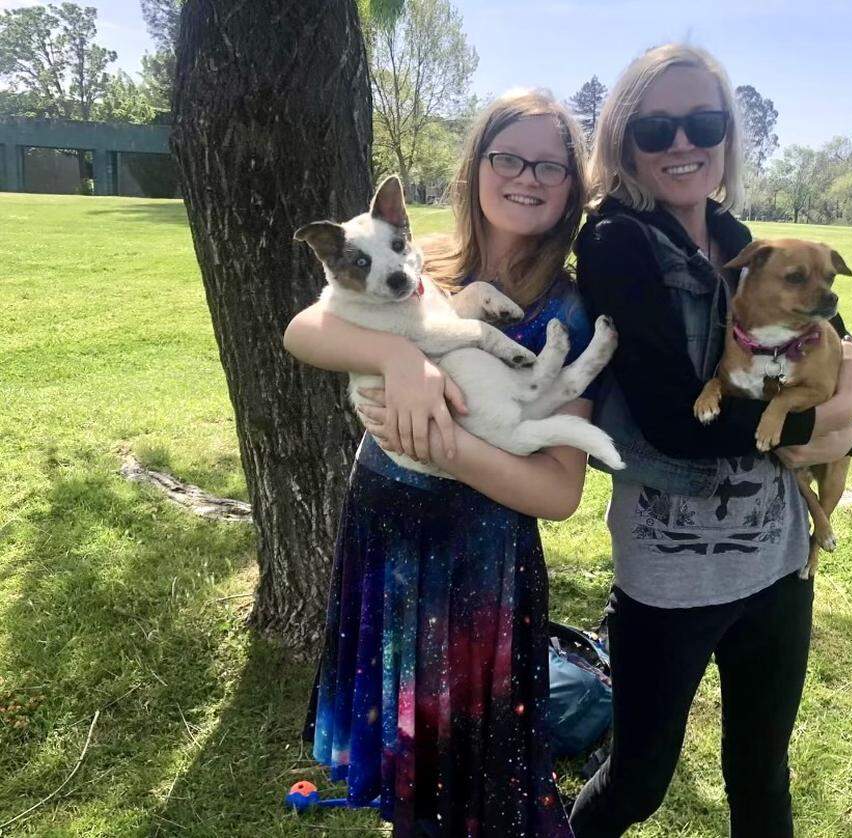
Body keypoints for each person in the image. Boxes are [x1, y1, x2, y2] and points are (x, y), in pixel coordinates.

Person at [568, 44, 852, 837]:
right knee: (636, 785)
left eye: (703, 124)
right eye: (656, 128)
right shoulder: (615, 242)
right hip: (671, 573)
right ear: (623, 139)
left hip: (777, 562)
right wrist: (819, 424)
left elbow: (851, 358)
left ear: (727, 137)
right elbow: (674, 420)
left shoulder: (742, 237)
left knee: (762, 777)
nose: (682, 143)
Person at [283, 88, 596, 837]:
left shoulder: (568, 309)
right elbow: (302, 331)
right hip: (386, 534)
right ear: (475, 166)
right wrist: (400, 358)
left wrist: (447, 445)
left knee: (474, 773)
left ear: (572, 186)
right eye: (508, 157)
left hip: (477, 562)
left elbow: (559, 492)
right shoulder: (417, 263)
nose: (527, 177)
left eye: (550, 166)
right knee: (407, 753)